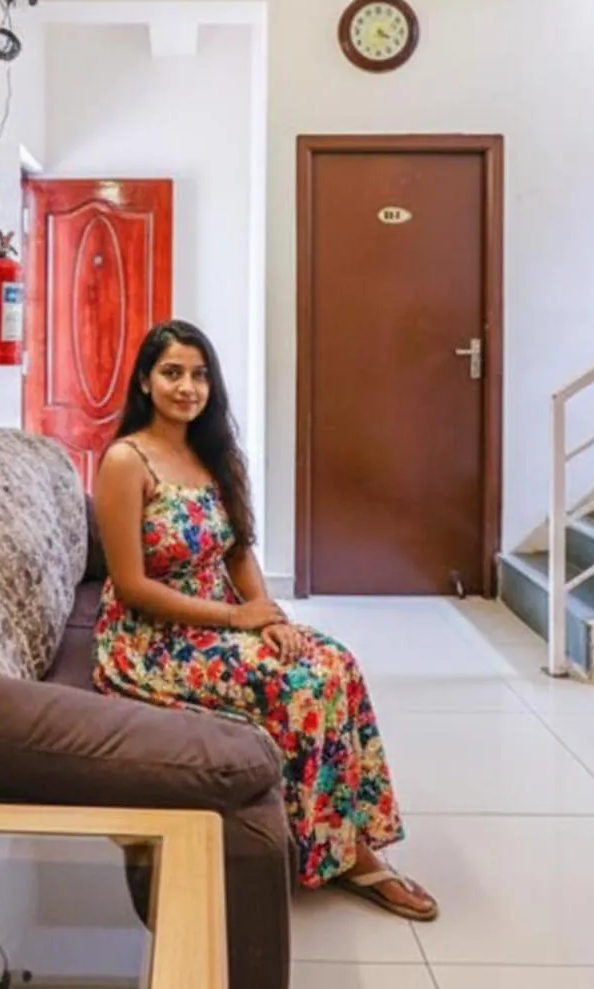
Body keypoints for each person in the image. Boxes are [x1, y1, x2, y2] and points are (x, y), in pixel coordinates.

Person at [91, 320, 436, 921]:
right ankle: (339, 854)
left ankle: (350, 837)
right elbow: (133, 587)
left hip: (219, 621)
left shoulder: (213, 453)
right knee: (303, 687)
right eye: (171, 373)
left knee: (335, 663)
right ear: (146, 381)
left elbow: (236, 551)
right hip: (152, 639)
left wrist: (269, 619)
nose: (186, 388)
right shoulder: (127, 459)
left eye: (199, 375)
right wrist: (238, 616)